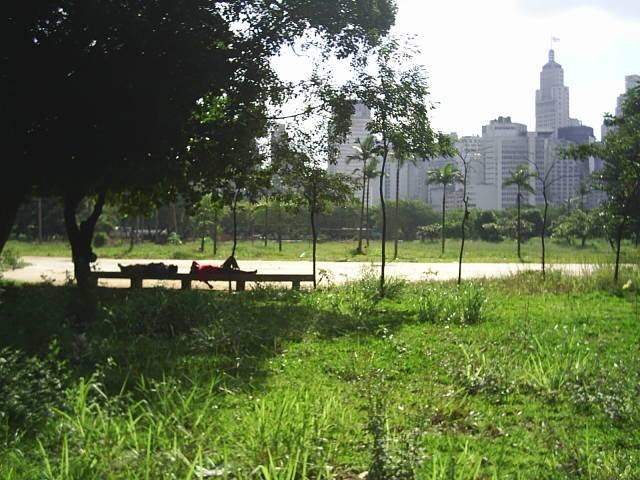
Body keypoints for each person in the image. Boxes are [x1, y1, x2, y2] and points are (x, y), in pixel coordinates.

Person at [190, 256, 256, 289]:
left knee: (233, 265)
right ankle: (248, 273)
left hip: (220, 268)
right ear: (195, 268)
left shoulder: (200, 268)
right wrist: (209, 285)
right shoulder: (200, 270)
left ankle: (246, 272)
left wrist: (209, 285)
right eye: (195, 265)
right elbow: (203, 279)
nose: (196, 264)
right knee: (232, 261)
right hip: (221, 271)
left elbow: (195, 262)